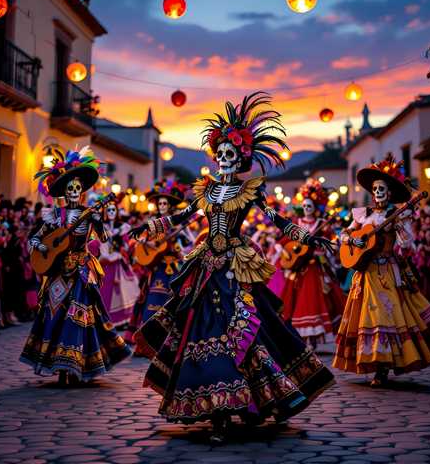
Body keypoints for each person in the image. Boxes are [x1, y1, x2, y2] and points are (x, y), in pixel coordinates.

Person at [130, 92, 335, 443]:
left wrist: (308, 236)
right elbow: (180, 218)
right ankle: (218, 409)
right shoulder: (205, 193)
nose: (223, 159)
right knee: (199, 328)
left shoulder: (250, 190)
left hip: (235, 266)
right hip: (207, 264)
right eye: (219, 153)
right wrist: (148, 228)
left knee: (249, 329)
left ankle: (248, 402)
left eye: (230, 153)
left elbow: (276, 220)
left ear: (240, 156)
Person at [20, 147, 131, 386]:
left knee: (77, 318)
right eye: (69, 188)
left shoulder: (88, 214)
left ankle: (74, 366)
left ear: (82, 191)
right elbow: (35, 238)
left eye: (77, 188)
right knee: (55, 316)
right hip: (57, 272)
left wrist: (99, 223)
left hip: (80, 272)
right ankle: (59, 368)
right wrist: (41, 248)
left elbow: (103, 240)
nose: (73, 192)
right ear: (64, 191)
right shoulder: (54, 216)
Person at [334, 155, 430, 387]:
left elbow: (406, 245)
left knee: (389, 315)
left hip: (388, 271)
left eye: (382, 188)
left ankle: (385, 365)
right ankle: (376, 365)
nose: (378, 192)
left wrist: (400, 227)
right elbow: (341, 235)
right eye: (375, 189)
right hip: (366, 273)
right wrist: (354, 242)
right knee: (369, 317)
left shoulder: (398, 215)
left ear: (390, 192)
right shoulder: (363, 215)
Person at [280, 179, 346, 348]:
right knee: (294, 298)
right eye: (305, 206)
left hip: (314, 266)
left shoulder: (320, 225)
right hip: (298, 267)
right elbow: (284, 241)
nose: (307, 209)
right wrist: (289, 251)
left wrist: (321, 246)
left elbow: (331, 243)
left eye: (310, 206)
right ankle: (302, 337)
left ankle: (314, 337)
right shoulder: (297, 224)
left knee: (316, 298)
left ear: (315, 208)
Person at [124, 180, 187, 355]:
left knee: (171, 302)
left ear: (171, 206)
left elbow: (185, 245)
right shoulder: (151, 223)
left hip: (172, 269)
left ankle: (167, 344)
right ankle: (145, 343)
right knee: (151, 302)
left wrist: (179, 248)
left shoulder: (176, 224)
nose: (162, 206)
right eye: (160, 203)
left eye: (165, 203)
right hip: (155, 269)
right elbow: (139, 240)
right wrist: (148, 244)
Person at [95, 198, 139, 327]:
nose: (111, 212)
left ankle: (123, 319)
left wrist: (124, 248)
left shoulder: (123, 227)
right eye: (108, 210)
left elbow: (128, 245)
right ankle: (106, 319)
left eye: (113, 209)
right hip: (106, 263)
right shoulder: (101, 227)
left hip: (119, 263)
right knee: (106, 290)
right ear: (104, 211)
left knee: (123, 291)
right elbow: (98, 244)